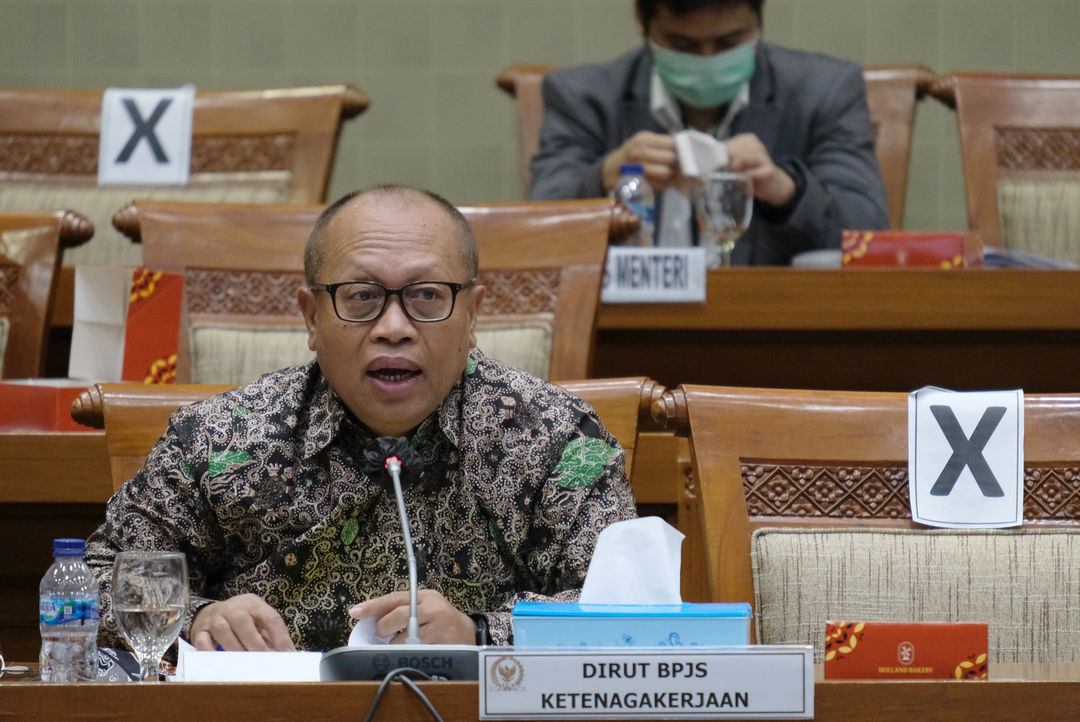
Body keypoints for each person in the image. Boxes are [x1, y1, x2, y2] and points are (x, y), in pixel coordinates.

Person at [85, 185, 637, 652]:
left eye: (426, 296)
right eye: (361, 296)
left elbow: (629, 609)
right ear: (310, 316)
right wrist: (196, 618)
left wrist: (480, 636)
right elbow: (90, 583)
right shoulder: (220, 440)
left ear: (472, 314)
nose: (393, 327)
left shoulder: (558, 439)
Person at [529, 0, 890, 265]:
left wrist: (786, 191)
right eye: (683, 45)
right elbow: (530, 233)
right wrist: (606, 176)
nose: (707, 59)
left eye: (729, 42)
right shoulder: (583, 97)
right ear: (641, 18)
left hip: (777, 335)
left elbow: (869, 233)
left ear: (760, 15)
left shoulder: (824, 91)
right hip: (626, 335)